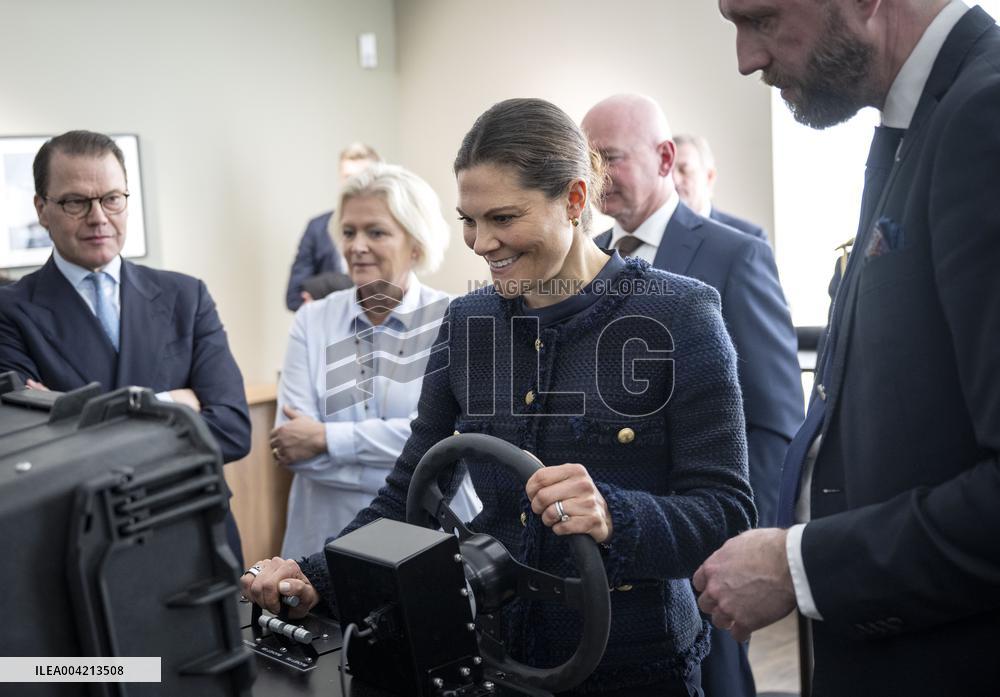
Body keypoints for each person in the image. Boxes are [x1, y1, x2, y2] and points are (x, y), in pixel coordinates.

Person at [244, 97, 756, 696]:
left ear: (573, 199)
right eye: (468, 219)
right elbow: (409, 491)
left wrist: (615, 515)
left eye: (503, 218)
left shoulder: (681, 314)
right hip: (494, 657)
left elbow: (725, 512)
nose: (481, 242)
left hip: (635, 667)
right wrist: (313, 574)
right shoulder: (468, 322)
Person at [694, 2, 1000, 695]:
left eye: (761, 18)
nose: (746, 58)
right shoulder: (921, 121)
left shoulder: (984, 116)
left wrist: (801, 564)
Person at [582, 94, 803, 697]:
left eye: (611, 158)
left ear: (663, 159)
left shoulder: (735, 254)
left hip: (705, 547)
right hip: (614, 548)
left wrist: (737, 540)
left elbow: (775, 419)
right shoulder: (586, 260)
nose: (598, 176)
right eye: (588, 161)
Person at [0, 130, 251, 565]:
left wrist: (80, 417)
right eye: (76, 202)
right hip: (82, 553)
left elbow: (232, 429)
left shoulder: (185, 297)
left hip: (195, 533)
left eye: (111, 199)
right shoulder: (10, 311)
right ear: (42, 209)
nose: (98, 217)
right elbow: (32, 456)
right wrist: (174, 403)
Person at [271, 163, 481, 559]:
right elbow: (293, 448)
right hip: (324, 537)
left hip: (429, 543)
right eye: (349, 232)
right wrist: (409, 468)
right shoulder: (311, 321)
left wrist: (326, 439)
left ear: (416, 243)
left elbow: (451, 447)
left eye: (376, 232)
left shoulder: (456, 319)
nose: (357, 246)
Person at [285, 142, 381, 311]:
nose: (355, 185)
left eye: (363, 177)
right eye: (348, 178)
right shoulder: (317, 228)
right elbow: (294, 297)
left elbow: (389, 289)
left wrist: (327, 285)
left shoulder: (391, 229)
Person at [672, 133, 769, 243]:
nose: (674, 180)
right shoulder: (658, 231)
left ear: (709, 177)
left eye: (684, 170)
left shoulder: (751, 238)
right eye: (668, 172)